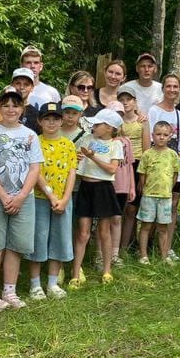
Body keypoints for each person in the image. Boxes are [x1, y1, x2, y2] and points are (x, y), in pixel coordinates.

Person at [0, 86, 44, 310]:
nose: (11, 109)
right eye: (6, 105)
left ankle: (10, 290)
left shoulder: (30, 135)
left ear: (22, 108)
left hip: (23, 198)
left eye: (15, 105)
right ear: (0, 108)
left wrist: (21, 196)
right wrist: (4, 196)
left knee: (17, 245)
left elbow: (35, 168)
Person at [27, 101, 77, 299]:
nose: (51, 123)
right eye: (46, 119)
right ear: (39, 121)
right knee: (38, 240)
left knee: (59, 239)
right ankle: (35, 284)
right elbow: (36, 172)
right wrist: (51, 196)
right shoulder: (35, 142)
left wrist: (65, 199)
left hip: (63, 201)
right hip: (40, 199)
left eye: (55, 119)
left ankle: (52, 283)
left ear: (61, 121)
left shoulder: (68, 144)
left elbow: (72, 172)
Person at [72, 108, 124, 284]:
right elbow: (75, 157)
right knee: (83, 233)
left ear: (109, 128)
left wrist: (93, 157)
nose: (94, 127)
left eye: (98, 124)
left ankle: (107, 271)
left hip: (103, 188)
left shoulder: (116, 145)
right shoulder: (87, 138)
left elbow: (112, 169)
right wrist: (77, 157)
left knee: (104, 232)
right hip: (85, 187)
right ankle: (75, 273)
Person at [146, 74, 180, 260]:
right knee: (153, 206)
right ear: (163, 88)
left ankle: (167, 246)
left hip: (178, 166)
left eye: (175, 86)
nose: (172, 89)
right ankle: (148, 246)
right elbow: (148, 139)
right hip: (158, 168)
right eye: (169, 86)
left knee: (172, 207)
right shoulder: (154, 111)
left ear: (179, 89)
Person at [137, 121, 180, 263]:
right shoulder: (147, 154)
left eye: (165, 135)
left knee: (163, 228)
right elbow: (142, 173)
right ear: (152, 135)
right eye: (158, 134)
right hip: (149, 196)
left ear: (170, 137)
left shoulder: (173, 155)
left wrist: (169, 189)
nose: (161, 137)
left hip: (165, 196)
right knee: (146, 226)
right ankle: (143, 255)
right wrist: (144, 188)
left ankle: (164, 256)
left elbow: (175, 174)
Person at [108, 101, 136, 263]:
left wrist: (132, 187)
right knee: (105, 220)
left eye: (119, 116)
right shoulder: (104, 141)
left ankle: (115, 253)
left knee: (117, 218)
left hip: (122, 186)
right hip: (107, 185)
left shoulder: (126, 141)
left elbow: (130, 164)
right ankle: (102, 252)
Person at [117, 88, 145, 253]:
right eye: (122, 99)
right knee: (120, 207)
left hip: (138, 164)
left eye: (128, 99)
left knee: (132, 208)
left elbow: (146, 149)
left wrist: (143, 175)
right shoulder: (116, 121)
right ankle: (116, 246)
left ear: (135, 101)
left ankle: (125, 247)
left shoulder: (142, 121)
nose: (125, 102)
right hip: (120, 165)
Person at [20, 45, 61, 110]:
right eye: (28, 63)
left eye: (36, 63)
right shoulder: (12, 90)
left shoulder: (52, 92)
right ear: (21, 65)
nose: (32, 66)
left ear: (41, 66)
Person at [9, 67, 41, 132]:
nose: (22, 87)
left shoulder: (36, 115)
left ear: (32, 88)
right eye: (18, 83)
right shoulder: (1, 109)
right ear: (11, 85)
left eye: (26, 84)